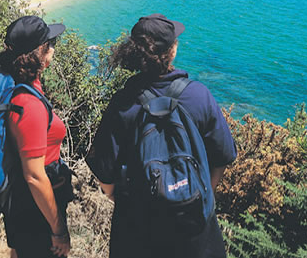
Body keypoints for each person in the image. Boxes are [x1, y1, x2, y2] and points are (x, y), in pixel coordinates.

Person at [86, 14, 237, 258]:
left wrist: (121, 200)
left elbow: (104, 171)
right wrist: (201, 193)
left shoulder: (123, 103)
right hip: (194, 229)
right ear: (172, 51)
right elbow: (224, 156)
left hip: (136, 230)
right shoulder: (199, 96)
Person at [0, 16, 74, 258]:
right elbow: (34, 175)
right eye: (51, 43)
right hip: (35, 212)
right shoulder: (27, 104)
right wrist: (58, 229)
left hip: (25, 206)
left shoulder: (21, 86)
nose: (54, 48)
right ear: (40, 52)